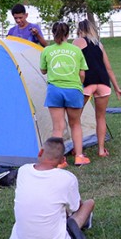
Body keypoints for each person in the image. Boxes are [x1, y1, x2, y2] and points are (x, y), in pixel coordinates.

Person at [8, 137, 96, 239]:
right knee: (89, 203)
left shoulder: (23, 170)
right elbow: (76, 208)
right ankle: (85, 222)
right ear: (62, 160)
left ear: (40, 152)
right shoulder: (67, 178)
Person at [72, 19, 121, 158]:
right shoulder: (99, 44)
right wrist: (117, 88)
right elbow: (108, 68)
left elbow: (72, 62)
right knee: (101, 117)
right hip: (103, 83)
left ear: (79, 29)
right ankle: (101, 150)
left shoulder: (77, 42)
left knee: (75, 119)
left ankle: (76, 149)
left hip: (87, 82)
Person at [40, 22, 89, 167]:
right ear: (68, 34)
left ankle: (59, 160)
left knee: (58, 127)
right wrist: (78, 85)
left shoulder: (47, 51)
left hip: (55, 91)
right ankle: (79, 156)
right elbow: (82, 73)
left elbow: (43, 70)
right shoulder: (76, 50)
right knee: (75, 124)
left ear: (53, 33)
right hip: (73, 90)